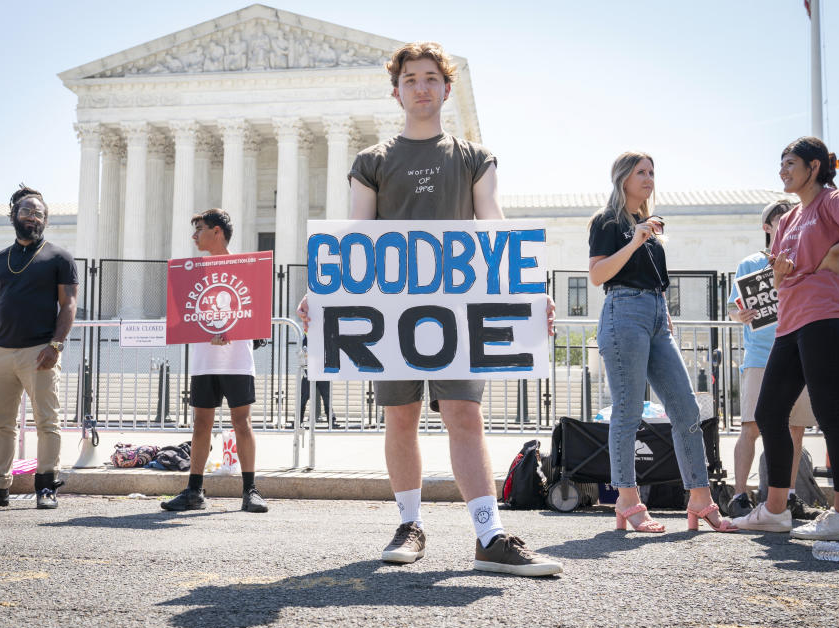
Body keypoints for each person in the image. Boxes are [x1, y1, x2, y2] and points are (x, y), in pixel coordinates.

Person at [298, 42, 562, 576]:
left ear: (446, 88)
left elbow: (492, 223)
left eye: (431, 78)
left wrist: (528, 289)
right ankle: (409, 524)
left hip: (455, 308)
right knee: (401, 417)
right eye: (411, 79)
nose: (421, 87)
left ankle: (489, 535)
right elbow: (359, 234)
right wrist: (324, 290)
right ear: (396, 91)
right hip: (394, 310)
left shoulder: (473, 157)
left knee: (465, 414)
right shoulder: (372, 161)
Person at [588, 152, 737, 533]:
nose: (649, 178)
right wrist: (636, 240)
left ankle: (701, 499)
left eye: (652, 172)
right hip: (623, 313)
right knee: (628, 410)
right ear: (622, 177)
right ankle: (627, 499)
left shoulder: (648, 227)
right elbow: (598, 274)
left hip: (656, 316)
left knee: (686, 408)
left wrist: (662, 312)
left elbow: (654, 281)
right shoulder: (607, 222)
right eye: (641, 171)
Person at [733, 137, 839, 540]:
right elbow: (778, 279)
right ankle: (775, 510)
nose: (782, 170)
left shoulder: (832, 200)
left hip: (827, 318)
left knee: (832, 416)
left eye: (790, 163)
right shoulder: (790, 219)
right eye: (780, 163)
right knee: (769, 414)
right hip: (789, 325)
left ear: (814, 166)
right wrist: (780, 271)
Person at [0, 185, 78, 510]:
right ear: (14, 215)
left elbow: (68, 305)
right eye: (26, 211)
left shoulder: (59, 257)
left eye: (38, 213)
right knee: (1, 424)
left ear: (46, 220)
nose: (32, 217)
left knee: (47, 421)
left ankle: (46, 486)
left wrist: (56, 345)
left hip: (40, 351)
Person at [161, 209, 268, 513]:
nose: (194, 236)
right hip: (204, 358)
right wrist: (202, 328)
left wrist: (232, 328)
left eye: (200, 229)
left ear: (217, 231)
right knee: (200, 424)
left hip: (236, 359)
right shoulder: (190, 272)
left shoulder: (247, 269)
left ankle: (250, 490)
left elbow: (255, 315)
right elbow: (185, 317)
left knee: (242, 423)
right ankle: (194, 491)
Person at [726, 199, 822, 520]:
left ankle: (789, 496)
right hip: (760, 356)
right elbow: (732, 307)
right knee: (751, 426)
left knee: (796, 428)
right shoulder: (750, 263)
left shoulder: (806, 261)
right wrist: (740, 314)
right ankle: (739, 495)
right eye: (780, 220)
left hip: (799, 353)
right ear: (766, 227)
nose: (787, 224)